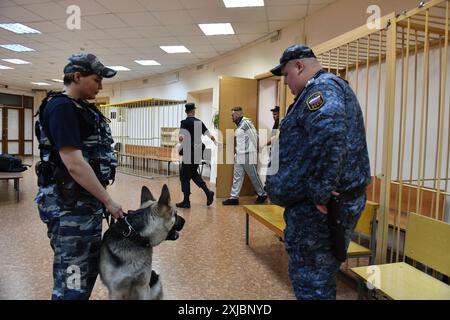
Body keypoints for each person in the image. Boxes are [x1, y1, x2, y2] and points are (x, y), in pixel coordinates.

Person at [266, 44, 371, 300]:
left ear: (299, 66)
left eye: (287, 74)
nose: (286, 82)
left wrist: (320, 191)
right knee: (315, 279)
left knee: (312, 281)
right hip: (317, 208)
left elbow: (331, 136)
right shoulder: (319, 89)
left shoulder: (321, 89)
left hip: (320, 211)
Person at [34, 53, 123, 300]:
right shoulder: (61, 108)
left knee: (83, 272)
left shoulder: (80, 107)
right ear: (76, 76)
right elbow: (74, 164)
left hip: (82, 204)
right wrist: (109, 201)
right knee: (72, 277)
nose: (101, 86)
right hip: (68, 208)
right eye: (96, 80)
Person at [222, 107, 268, 205]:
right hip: (239, 154)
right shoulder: (238, 125)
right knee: (237, 176)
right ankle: (234, 197)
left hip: (248, 154)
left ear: (238, 115)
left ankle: (262, 194)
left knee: (253, 175)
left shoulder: (246, 123)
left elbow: (254, 137)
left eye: (232, 115)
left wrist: (255, 151)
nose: (231, 117)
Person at [176, 102, 215, 209]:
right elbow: (208, 134)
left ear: (186, 112)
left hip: (189, 151)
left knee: (184, 176)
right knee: (193, 173)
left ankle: (186, 201)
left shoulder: (184, 122)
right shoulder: (199, 122)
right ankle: (208, 192)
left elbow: (181, 138)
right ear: (193, 111)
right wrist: (214, 140)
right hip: (198, 152)